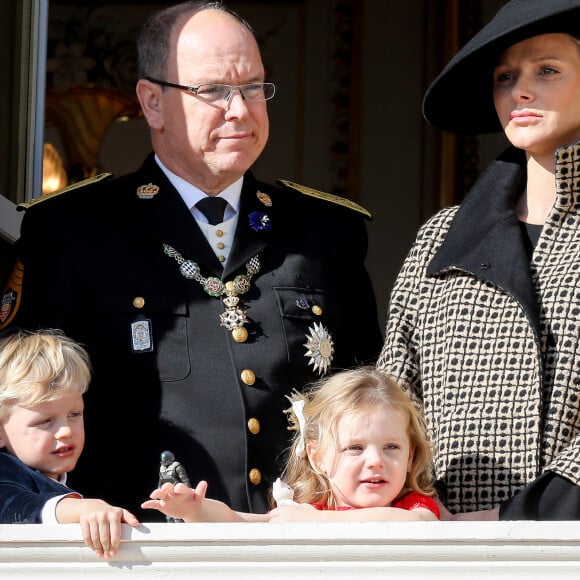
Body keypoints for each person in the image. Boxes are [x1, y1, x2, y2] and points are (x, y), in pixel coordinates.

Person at [0, 1, 382, 520]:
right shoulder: (73, 231)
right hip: (136, 550)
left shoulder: (326, 233)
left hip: (296, 547)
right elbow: (15, 409)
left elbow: (373, 400)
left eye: (253, 88)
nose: (241, 111)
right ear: (152, 103)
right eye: (214, 92)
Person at [377, 0, 580, 520]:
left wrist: (530, 517)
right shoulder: (440, 236)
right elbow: (392, 399)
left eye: (547, 70)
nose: (520, 90)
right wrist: (406, 514)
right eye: (505, 76)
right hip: (442, 549)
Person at [140, 367, 440, 522]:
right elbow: (239, 521)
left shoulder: (413, 506)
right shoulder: (307, 511)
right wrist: (195, 509)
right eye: (355, 448)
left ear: (411, 455)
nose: (376, 460)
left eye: (392, 447)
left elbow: (415, 524)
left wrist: (316, 523)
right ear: (318, 457)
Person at [0, 329, 139, 559]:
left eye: (74, 414)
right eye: (45, 421)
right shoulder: (6, 470)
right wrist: (78, 509)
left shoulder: (83, 479)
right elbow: (10, 505)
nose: (65, 431)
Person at [158, 450, 190, 522]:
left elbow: (185, 480)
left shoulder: (177, 466)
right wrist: (159, 490)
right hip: (167, 495)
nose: (163, 462)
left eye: (164, 460)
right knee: (169, 517)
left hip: (177, 493)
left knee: (177, 517)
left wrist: (188, 492)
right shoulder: (162, 468)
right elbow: (161, 480)